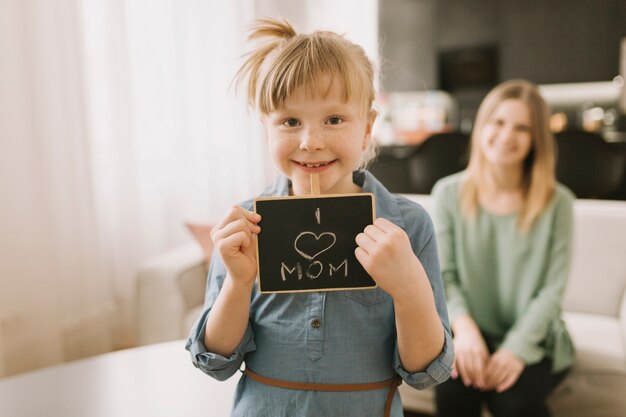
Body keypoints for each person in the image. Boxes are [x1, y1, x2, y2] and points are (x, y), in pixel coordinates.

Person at [185, 18, 453, 417]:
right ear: (266, 129)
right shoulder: (246, 224)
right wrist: (239, 283)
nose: (311, 142)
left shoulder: (408, 225)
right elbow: (217, 360)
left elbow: (424, 372)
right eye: (290, 122)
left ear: (367, 128)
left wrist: (410, 290)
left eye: (334, 120)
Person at [432, 80, 574, 417]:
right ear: (482, 125)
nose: (507, 135)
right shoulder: (448, 194)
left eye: (522, 127)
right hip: (465, 332)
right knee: (453, 396)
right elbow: (443, 275)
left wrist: (515, 350)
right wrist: (464, 331)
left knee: (512, 402)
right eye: (498, 122)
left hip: (534, 339)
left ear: (536, 138)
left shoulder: (559, 203)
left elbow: (552, 292)